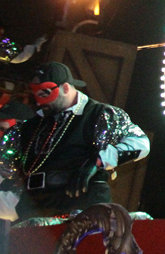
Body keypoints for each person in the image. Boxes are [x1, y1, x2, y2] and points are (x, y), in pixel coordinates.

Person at [0, 62, 150, 220]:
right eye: (35, 94)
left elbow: (140, 143)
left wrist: (99, 161)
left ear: (65, 88)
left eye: (44, 94)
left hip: (81, 213)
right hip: (35, 212)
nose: (39, 101)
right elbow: (3, 164)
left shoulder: (98, 115)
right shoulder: (30, 126)